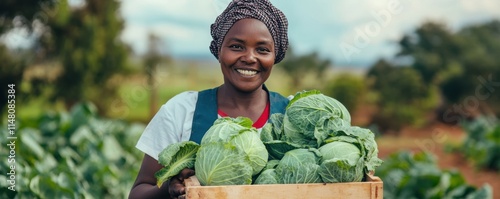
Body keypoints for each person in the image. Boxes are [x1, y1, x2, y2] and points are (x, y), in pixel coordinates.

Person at [129, 0, 289, 198]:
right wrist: (168, 189)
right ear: (219, 51)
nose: (249, 57)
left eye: (262, 49)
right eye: (236, 46)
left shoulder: (293, 117)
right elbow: (138, 192)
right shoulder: (180, 111)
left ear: (276, 55)